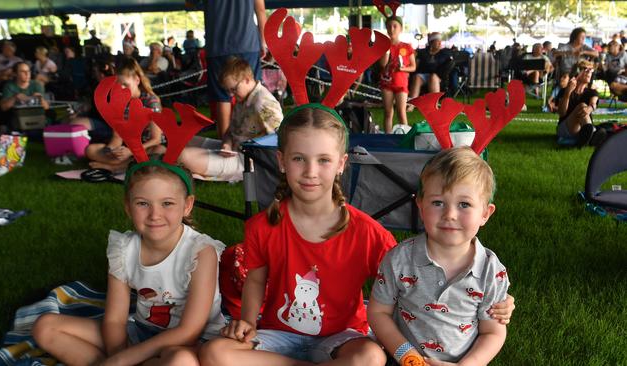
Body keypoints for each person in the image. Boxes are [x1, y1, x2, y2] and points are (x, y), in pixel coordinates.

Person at [198, 106, 515, 366]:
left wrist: (498, 300)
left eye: (323, 160)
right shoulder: (261, 226)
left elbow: (409, 284)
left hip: (343, 339)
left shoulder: (367, 233)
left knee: (370, 357)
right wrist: (249, 322)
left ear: (340, 164)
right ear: (281, 161)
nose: (310, 171)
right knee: (214, 354)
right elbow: (255, 278)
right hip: (276, 337)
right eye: (299, 159)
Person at [32, 158, 227, 365]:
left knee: (181, 361)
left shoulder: (201, 252)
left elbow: (189, 330)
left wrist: (126, 359)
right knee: (45, 326)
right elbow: (115, 320)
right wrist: (117, 354)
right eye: (143, 203)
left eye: (167, 203)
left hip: (190, 344)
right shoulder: (123, 248)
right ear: (128, 206)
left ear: (187, 205)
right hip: (141, 332)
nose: (155, 215)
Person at [368, 146, 508, 366]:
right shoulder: (398, 260)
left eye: (464, 204)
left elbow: (493, 332)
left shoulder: (492, 271)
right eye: (437, 203)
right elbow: (378, 312)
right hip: (404, 360)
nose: (449, 215)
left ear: (485, 213)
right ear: (420, 205)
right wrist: (409, 358)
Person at [178, 57, 282, 181]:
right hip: (232, 150)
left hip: (248, 161)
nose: (230, 95)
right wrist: (226, 144)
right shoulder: (243, 98)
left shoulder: (263, 103)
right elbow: (230, 131)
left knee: (183, 156)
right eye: (228, 91)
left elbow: (280, 138)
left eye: (233, 89)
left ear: (247, 80)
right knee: (186, 140)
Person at [84, 57, 164, 172]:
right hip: (128, 149)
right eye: (118, 85)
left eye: (125, 85)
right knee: (90, 150)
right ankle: (127, 165)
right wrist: (111, 150)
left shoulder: (151, 102)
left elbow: (156, 139)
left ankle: (116, 167)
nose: (121, 89)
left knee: (159, 151)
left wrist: (131, 151)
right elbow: (117, 136)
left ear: (137, 80)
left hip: (147, 147)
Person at [203, 0, 266, 139]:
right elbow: (260, 10)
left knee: (222, 96)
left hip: (217, 43)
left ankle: (225, 145)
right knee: (252, 91)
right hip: (247, 42)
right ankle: (255, 142)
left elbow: (189, 4)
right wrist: (263, 40)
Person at [378, 15, 416, 133]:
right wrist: (386, 49)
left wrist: (403, 69)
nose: (392, 29)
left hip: (401, 83)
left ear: (401, 29)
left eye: (395, 26)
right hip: (387, 83)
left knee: (401, 111)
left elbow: (413, 67)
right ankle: (388, 137)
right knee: (388, 112)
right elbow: (383, 64)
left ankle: (405, 137)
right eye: (389, 26)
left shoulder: (406, 46)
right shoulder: (384, 46)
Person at [557, 60, 604, 147]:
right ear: (577, 73)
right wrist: (567, 93)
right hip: (565, 128)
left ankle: (587, 136)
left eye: (591, 70)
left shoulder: (592, 92)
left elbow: (593, 104)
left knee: (584, 107)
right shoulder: (565, 90)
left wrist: (589, 109)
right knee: (582, 106)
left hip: (582, 127)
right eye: (586, 69)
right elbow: (561, 113)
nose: (590, 72)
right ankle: (592, 134)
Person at [408, 32, 451, 112]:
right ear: (431, 42)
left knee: (433, 76)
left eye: (440, 41)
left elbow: (448, 67)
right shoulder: (423, 52)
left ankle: (434, 105)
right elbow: (415, 66)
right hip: (423, 75)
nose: (440, 43)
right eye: (437, 41)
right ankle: (411, 105)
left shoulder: (444, 53)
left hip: (438, 77)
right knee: (417, 77)